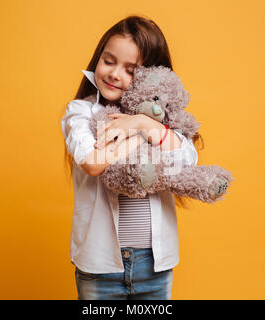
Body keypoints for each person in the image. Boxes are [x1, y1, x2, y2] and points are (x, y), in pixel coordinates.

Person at [61, 15, 201, 300]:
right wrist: (135, 135)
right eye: (108, 61)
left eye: (131, 70)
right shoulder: (80, 112)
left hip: (154, 265)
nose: (115, 74)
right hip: (99, 266)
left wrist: (144, 124)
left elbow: (187, 159)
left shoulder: (161, 118)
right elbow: (92, 162)